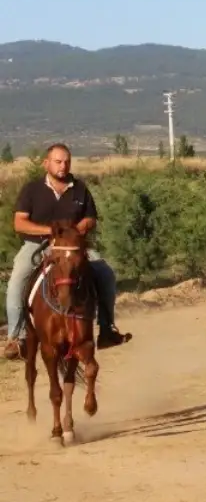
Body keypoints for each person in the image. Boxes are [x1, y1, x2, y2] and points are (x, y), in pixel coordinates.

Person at [5, 143, 132, 360]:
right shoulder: (32, 189)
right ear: (46, 163)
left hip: (73, 246)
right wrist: (51, 231)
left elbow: (90, 217)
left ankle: (106, 329)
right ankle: (17, 338)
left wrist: (80, 228)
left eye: (67, 161)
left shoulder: (80, 188)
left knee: (105, 274)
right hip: (38, 245)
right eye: (58, 161)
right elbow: (20, 223)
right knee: (17, 279)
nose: (63, 166)